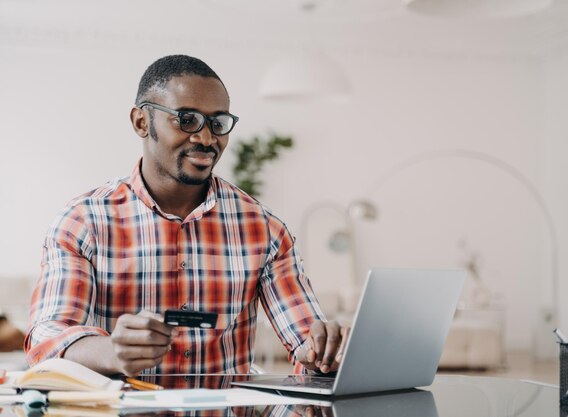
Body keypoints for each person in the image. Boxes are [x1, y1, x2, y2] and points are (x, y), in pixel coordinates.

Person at [25, 54, 349, 376]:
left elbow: (306, 340)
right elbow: (47, 340)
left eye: (218, 123)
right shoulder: (83, 223)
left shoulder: (264, 230)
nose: (206, 139)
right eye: (187, 119)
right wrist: (111, 352)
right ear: (141, 122)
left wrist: (321, 351)